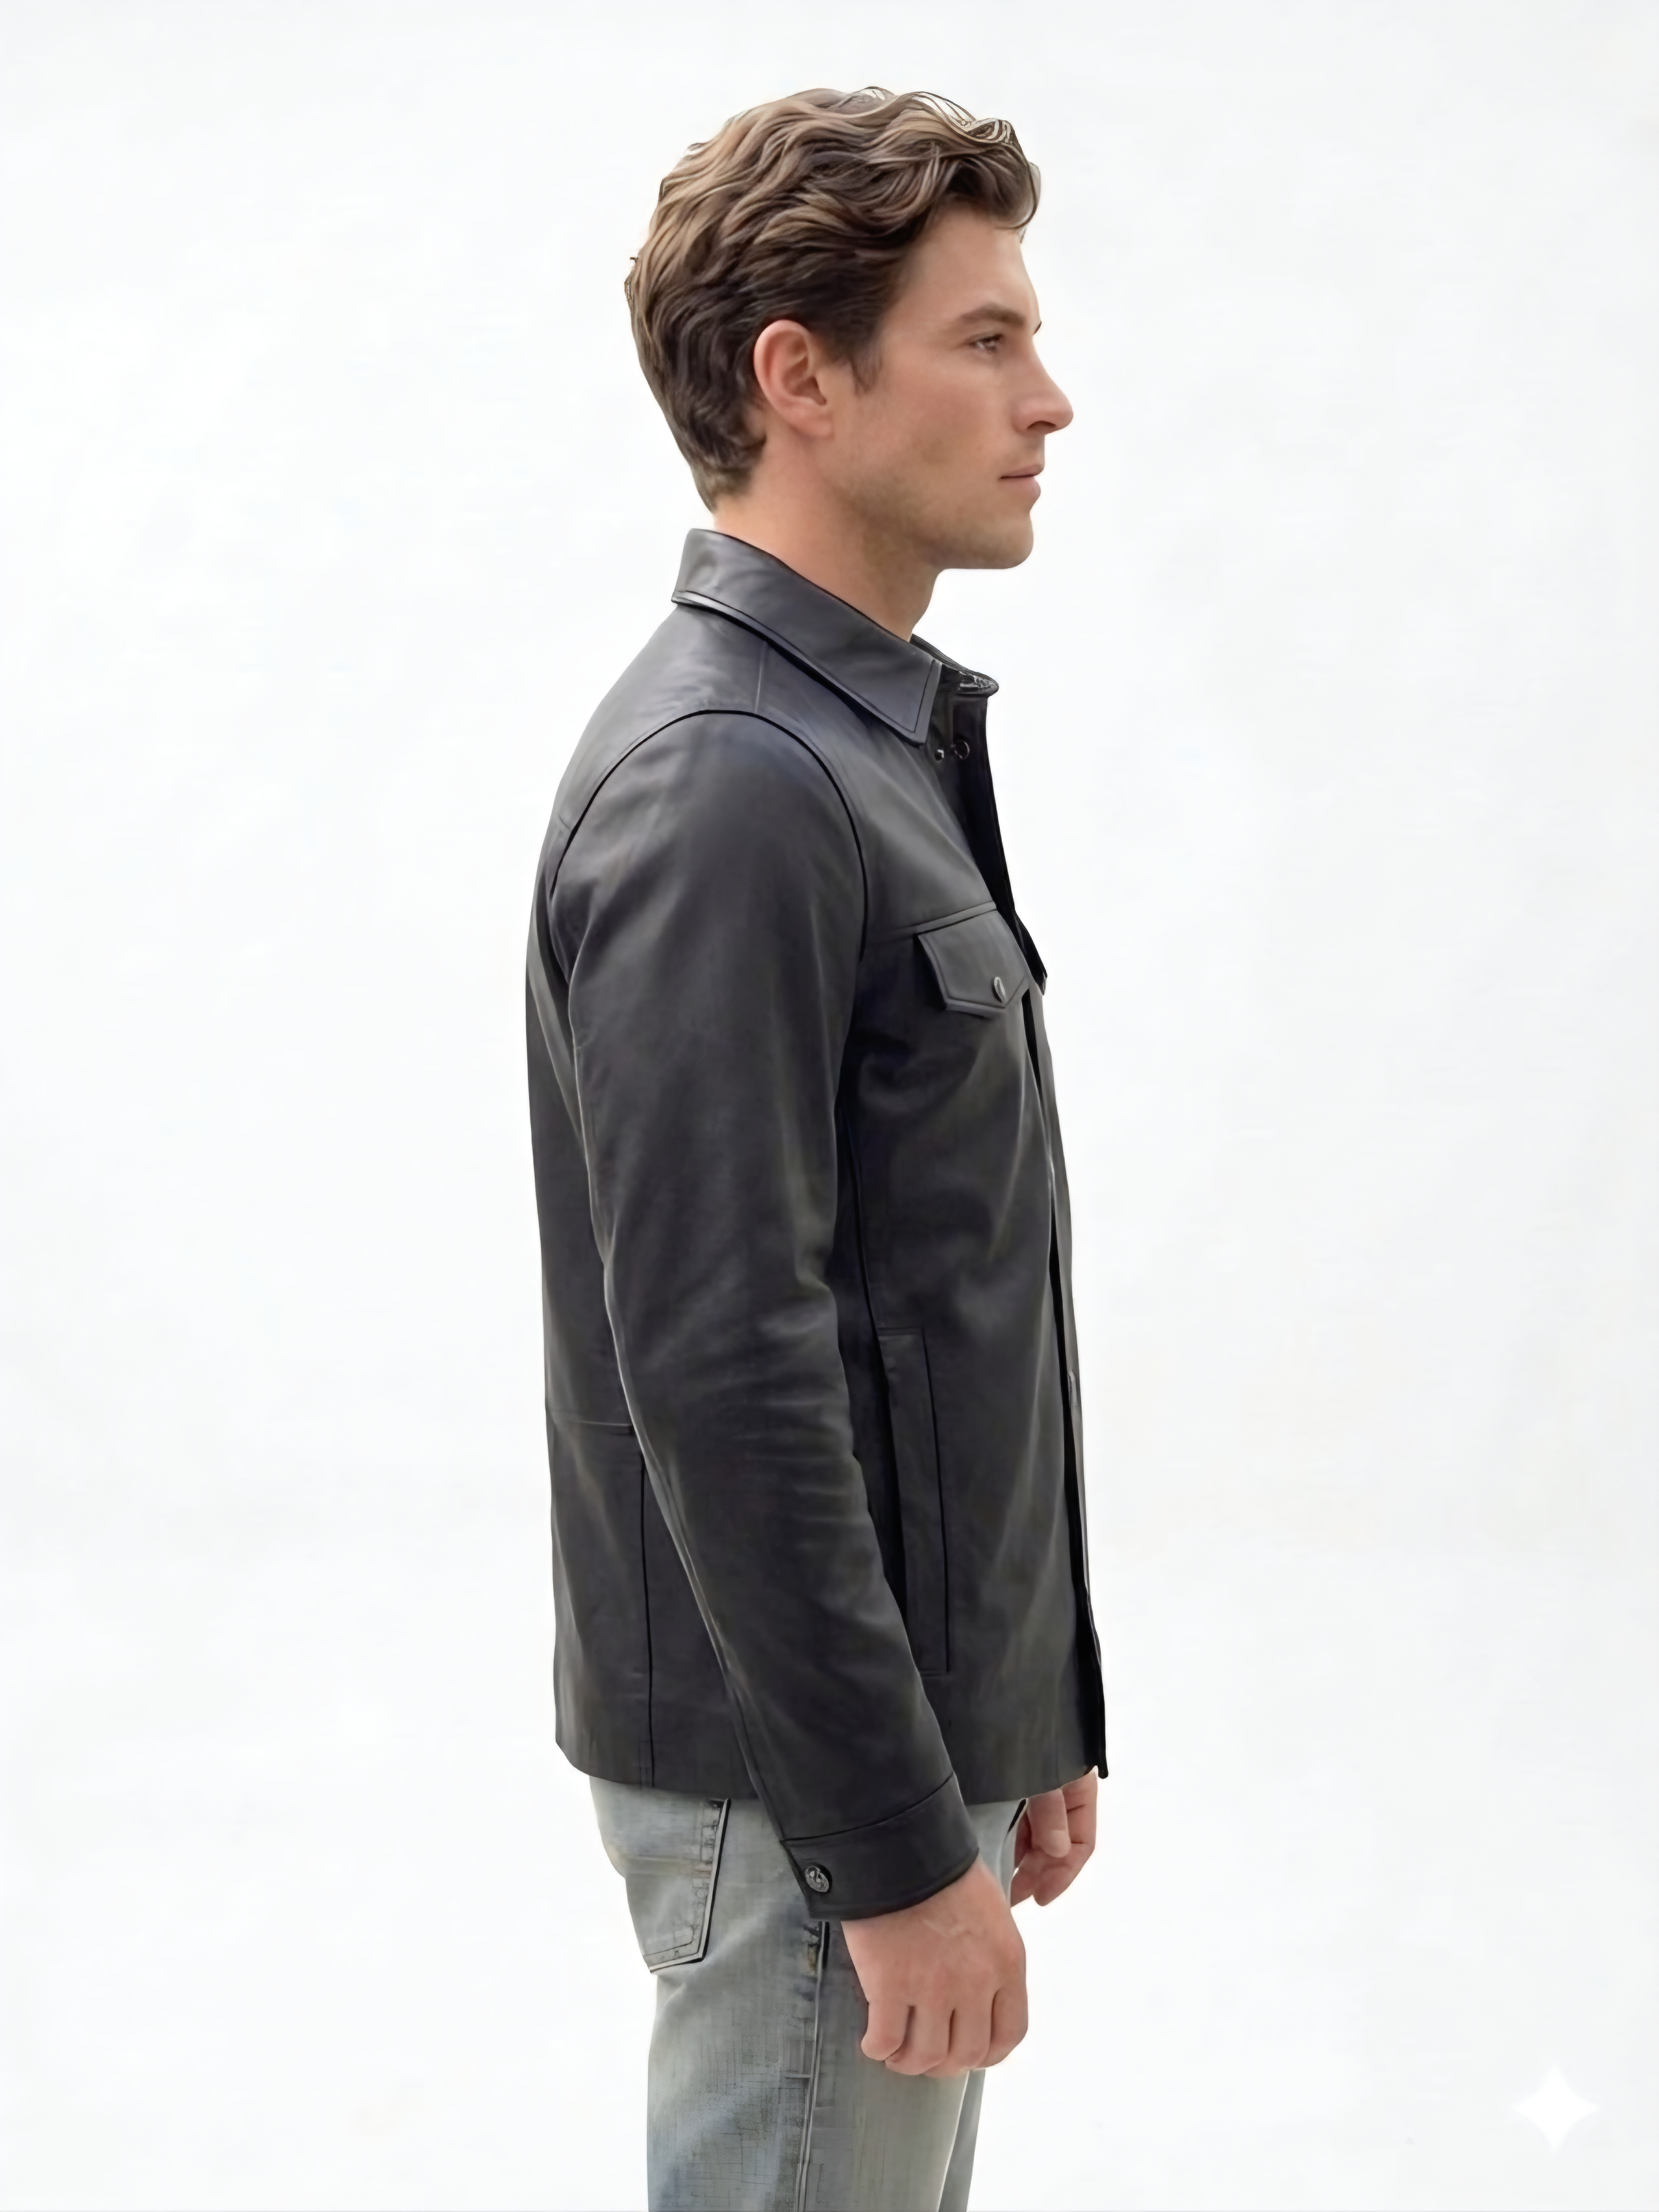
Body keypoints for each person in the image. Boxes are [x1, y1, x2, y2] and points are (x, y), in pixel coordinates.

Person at [524, 86, 1105, 2212]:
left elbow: (920, 1295)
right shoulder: (734, 786)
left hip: (878, 1770)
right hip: (809, 1807)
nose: (1048, 400)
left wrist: (1013, 1715)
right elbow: (729, 1371)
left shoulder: (849, 752)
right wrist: (889, 1845)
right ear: (801, 376)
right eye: (984, 338)